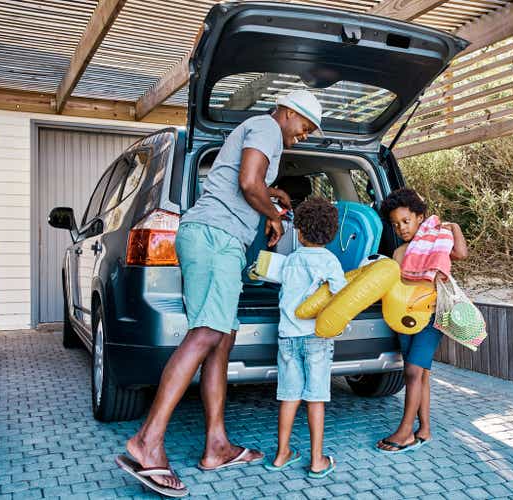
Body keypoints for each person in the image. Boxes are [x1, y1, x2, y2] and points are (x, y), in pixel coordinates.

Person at [115, 90, 324, 497]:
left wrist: (275, 196)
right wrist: (274, 216)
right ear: (288, 111)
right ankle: (148, 440)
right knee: (207, 334)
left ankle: (216, 445)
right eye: (305, 127)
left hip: (213, 239)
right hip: (217, 239)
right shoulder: (266, 126)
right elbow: (248, 182)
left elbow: (251, 180)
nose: (304, 136)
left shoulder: (260, 132)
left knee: (220, 340)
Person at [376, 188, 468, 453]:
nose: (401, 228)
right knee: (420, 374)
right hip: (405, 318)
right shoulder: (399, 252)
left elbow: (460, 254)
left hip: (431, 316)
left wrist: (455, 227)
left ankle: (405, 432)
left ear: (419, 217)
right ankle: (424, 431)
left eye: (406, 221)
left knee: (413, 372)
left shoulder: (437, 242)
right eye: (395, 224)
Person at [264, 197, 346, 479]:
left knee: (288, 396)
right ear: (332, 234)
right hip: (316, 338)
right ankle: (316, 460)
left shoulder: (291, 260)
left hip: (287, 337)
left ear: (298, 232)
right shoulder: (331, 261)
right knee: (316, 398)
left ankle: (281, 453)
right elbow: (341, 295)